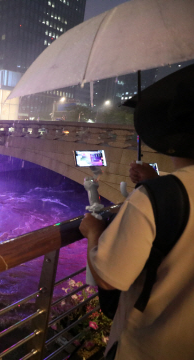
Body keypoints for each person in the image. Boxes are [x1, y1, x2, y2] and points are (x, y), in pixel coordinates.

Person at [79, 80, 194, 360]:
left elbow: (108, 278)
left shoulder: (156, 198)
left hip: (149, 347)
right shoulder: (164, 193)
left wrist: (93, 233)